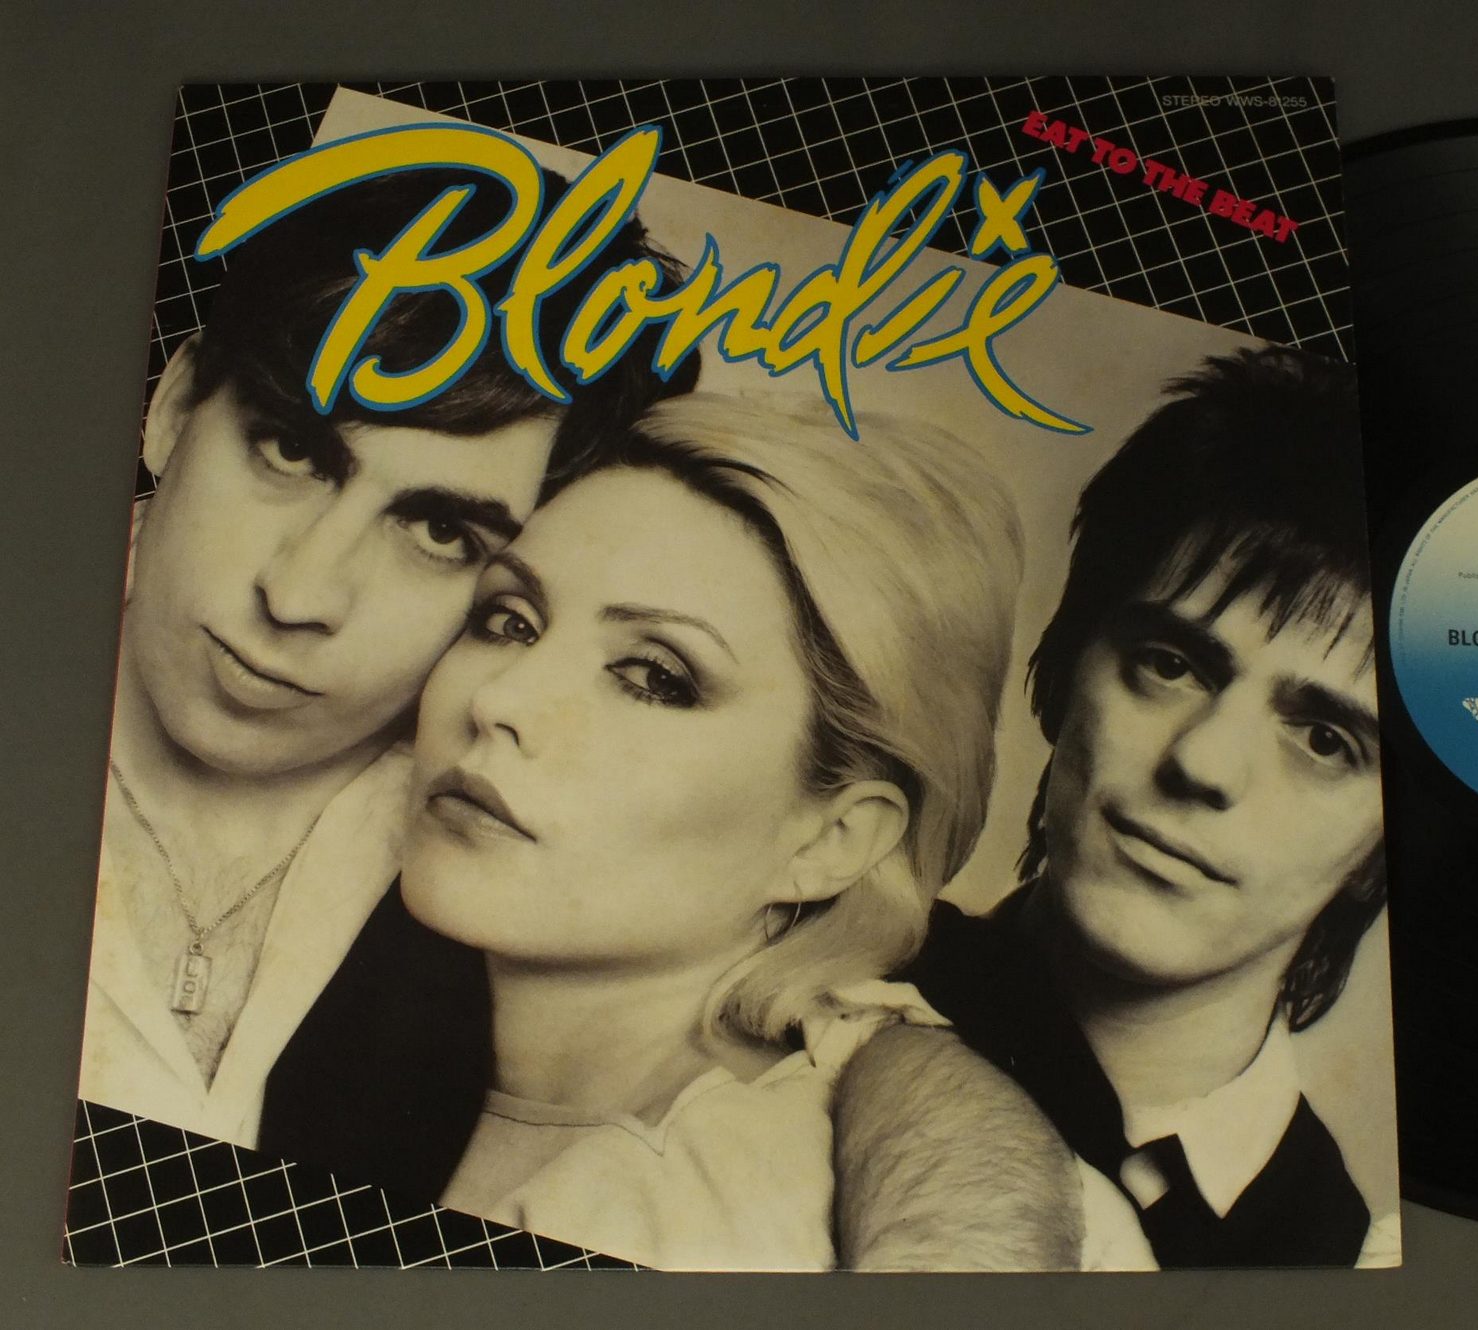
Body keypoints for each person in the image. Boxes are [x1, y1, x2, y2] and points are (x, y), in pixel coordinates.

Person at [78, 166, 694, 1149]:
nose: (298, 594)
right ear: (174, 405)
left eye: (441, 532)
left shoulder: (502, 825)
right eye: (289, 450)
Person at [392, 391, 1027, 1269]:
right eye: (510, 622)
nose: (500, 700)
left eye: (654, 678)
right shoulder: (379, 1030)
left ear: (832, 840)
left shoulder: (726, 1217)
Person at [876, 345, 1398, 1267]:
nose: (1203, 762)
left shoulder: (1355, 1266)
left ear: (1378, 852)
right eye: (1171, 664)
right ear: (1062, 672)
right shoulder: (797, 987)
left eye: (1325, 740)